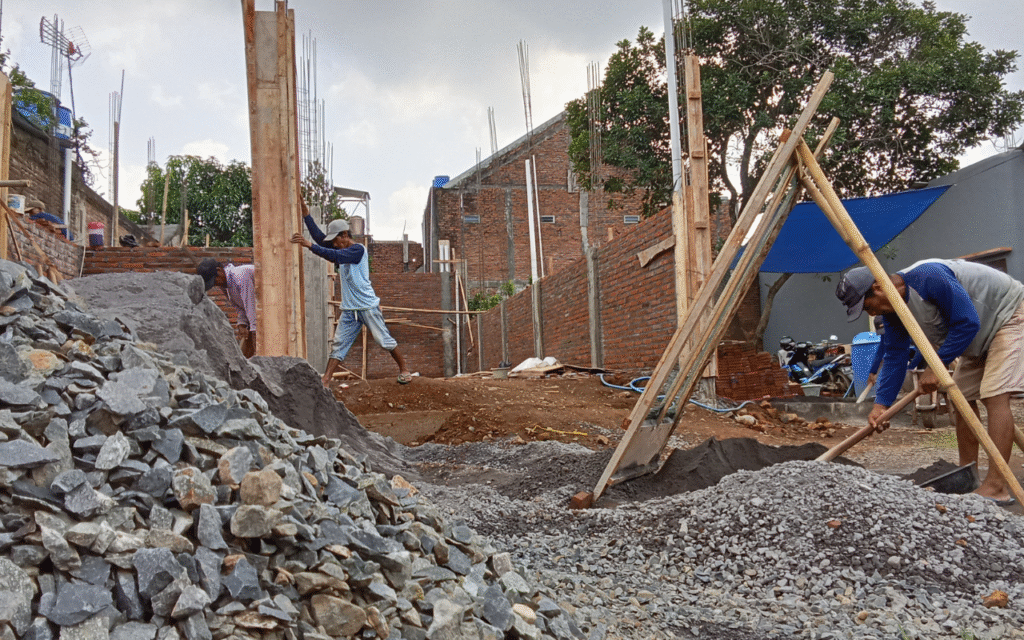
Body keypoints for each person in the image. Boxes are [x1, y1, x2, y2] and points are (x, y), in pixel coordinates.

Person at [836, 260, 1024, 505]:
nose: (872, 314)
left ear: (879, 287)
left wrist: (937, 365)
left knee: (994, 395)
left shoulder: (929, 278)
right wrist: (881, 405)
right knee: (962, 399)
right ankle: (969, 476)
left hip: (1008, 315)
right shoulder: (894, 313)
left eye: (868, 306)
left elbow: (967, 322)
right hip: (979, 334)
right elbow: (895, 355)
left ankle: (997, 486)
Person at [290, 204, 412, 387]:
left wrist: (309, 246)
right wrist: (306, 215)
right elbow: (321, 240)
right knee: (339, 344)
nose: (334, 244)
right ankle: (325, 381)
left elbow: (331, 254)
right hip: (349, 309)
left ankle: (404, 369)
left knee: (382, 339)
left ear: (345, 235)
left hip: (367, 306)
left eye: (336, 241)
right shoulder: (340, 248)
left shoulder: (357, 250)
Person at [196, 258, 257, 358]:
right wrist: (242, 323)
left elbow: (250, 304)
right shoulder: (227, 285)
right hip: (258, 316)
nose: (216, 285)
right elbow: (241, 306)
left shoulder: (240, 276)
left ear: (219, 270)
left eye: (215, 281)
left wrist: (255, 332)